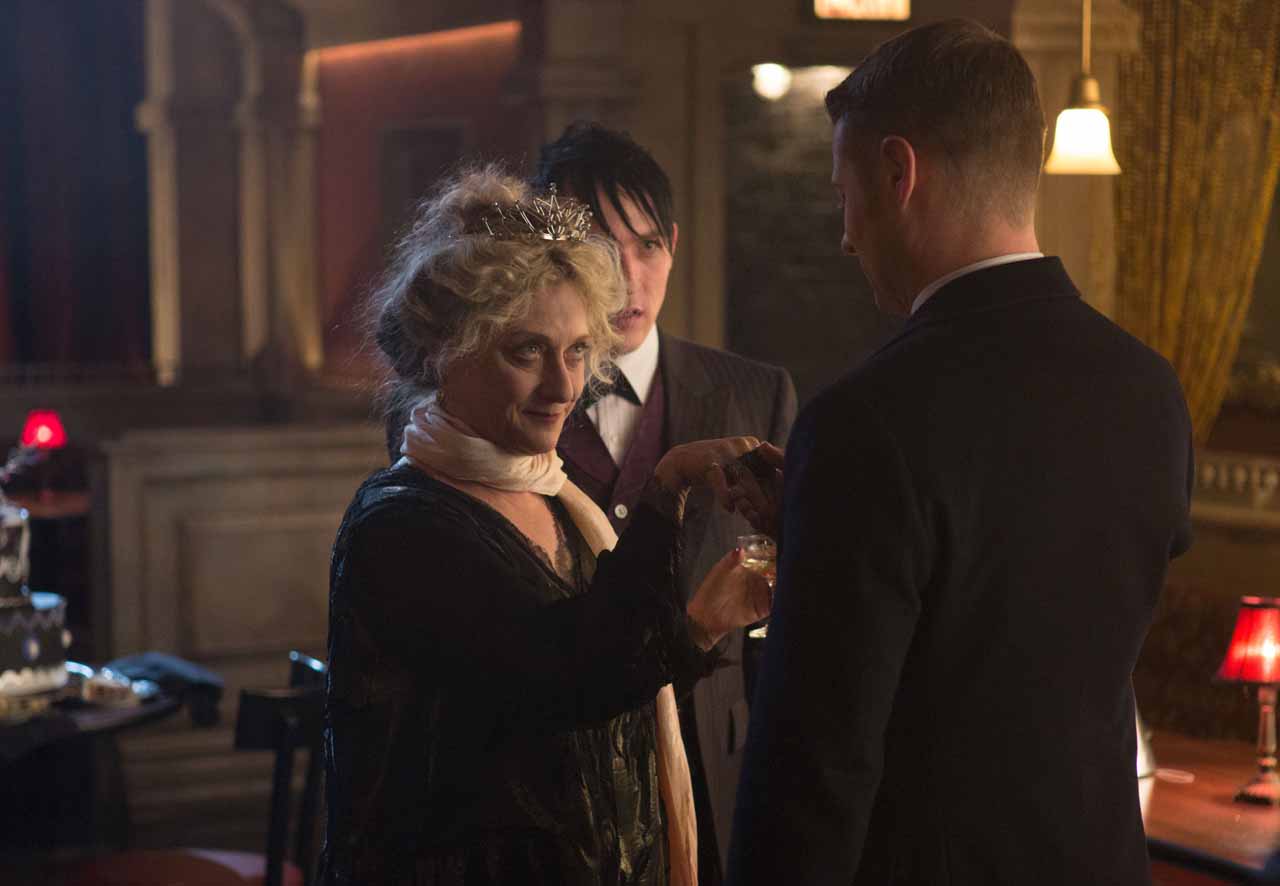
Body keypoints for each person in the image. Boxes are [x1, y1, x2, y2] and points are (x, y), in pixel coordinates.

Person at [727, 19, 1193, 886]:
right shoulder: (1152, 390)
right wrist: (821, 525)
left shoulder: (865, 422)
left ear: (897, 173)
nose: (845, 236)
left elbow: (816, 769)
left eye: (843, 195)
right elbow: (1030, 595)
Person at [320, 167, 780, 886]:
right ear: (449, 349)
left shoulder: (559, 498)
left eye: (576, 352)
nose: (564, 387)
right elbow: (568, 679)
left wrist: (698, 626)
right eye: (526, 351)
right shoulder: (400, 524)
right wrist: (664, 489)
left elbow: (606, 691)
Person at [535, 122, 797, 885]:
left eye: (647, 245)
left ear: (674, 245)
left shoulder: (755, 393)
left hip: (716, 775)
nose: (629, 277)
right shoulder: (504, 405)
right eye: (599, 247)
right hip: (558, 783)